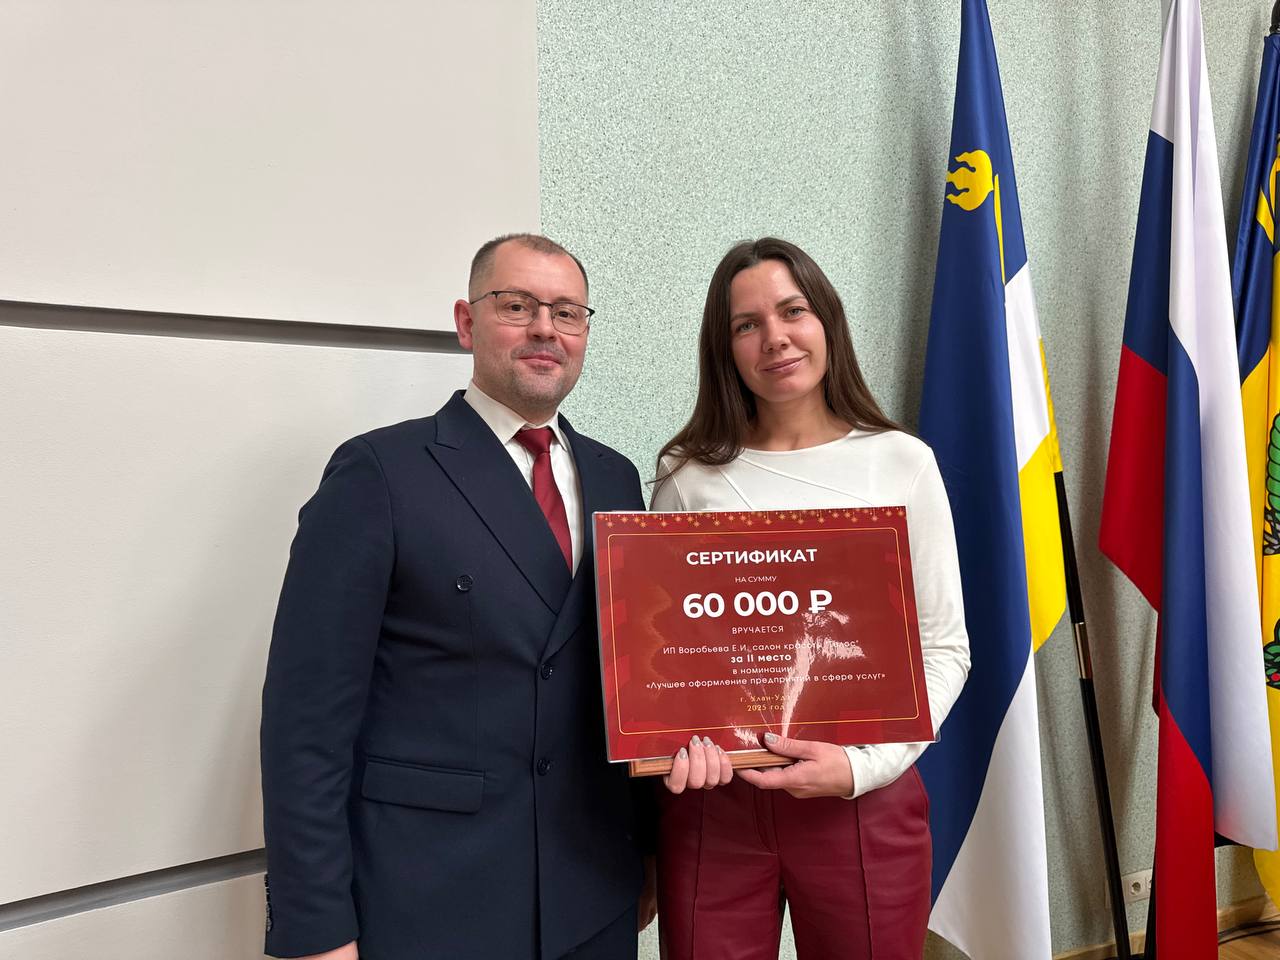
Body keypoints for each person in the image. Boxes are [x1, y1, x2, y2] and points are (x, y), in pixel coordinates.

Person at [260, 234, 653, 960]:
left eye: (567, 312)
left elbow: (633, 685)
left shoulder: (618, 479)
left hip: (593, 893)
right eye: (517, 306)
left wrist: (648, 853)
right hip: (430, 896)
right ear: (467, 323)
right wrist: (315, 924)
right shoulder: (380, 473)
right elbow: (305, 722)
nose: (545, 328)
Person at [651, 238, 971, 960]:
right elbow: (669, 662)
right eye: (747, 324)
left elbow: (945, 647)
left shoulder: (902, 463)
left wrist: (861, 768)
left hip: (861, 800)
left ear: (826, 320)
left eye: (792, 311)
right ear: (725, 348)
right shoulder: (686, 475)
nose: (775, 337)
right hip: (716, 804)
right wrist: (675, 741)